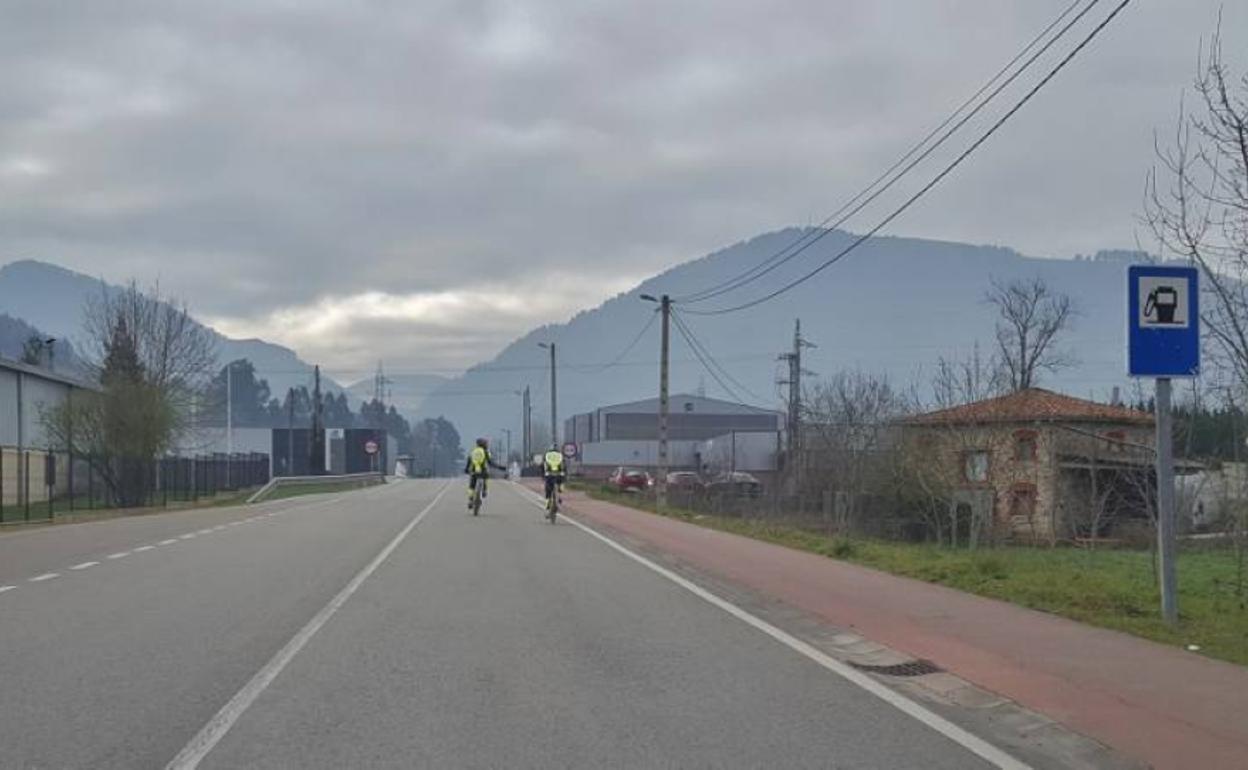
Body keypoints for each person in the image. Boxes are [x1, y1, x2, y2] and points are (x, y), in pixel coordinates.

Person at [465, 437, 506, 507]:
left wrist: (466, 469)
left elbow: (469, 462)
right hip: (483, 471)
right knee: (486, 477)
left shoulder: (473, 451)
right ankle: (484, 490)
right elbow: (490, 463)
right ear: (484, 445)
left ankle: (470, 499)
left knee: (471, 486)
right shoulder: (485, 452)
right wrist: (500, 467)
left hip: (474, 470)